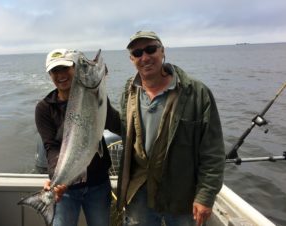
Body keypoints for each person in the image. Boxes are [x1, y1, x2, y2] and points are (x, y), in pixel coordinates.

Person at [116, 31, 226, 226]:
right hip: (139, 191)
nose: (145, 57)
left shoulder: (196, 93)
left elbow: (213, 151)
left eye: (151, 49)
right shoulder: (128, 91)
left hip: (181, 195)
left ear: (162, 51)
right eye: (138, 52)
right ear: (131, 59)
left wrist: (205, 195)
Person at [35, 48, 120, 226]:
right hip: (65, 191)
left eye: (65, 68)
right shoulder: (44, 108)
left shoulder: (93, 94)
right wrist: (57, 181)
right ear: (50, 74)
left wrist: (101, 93)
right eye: (55, 71)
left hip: (98, 183)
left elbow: (116, 126)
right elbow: (50, 148)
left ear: (75, 69)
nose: (61, 75)